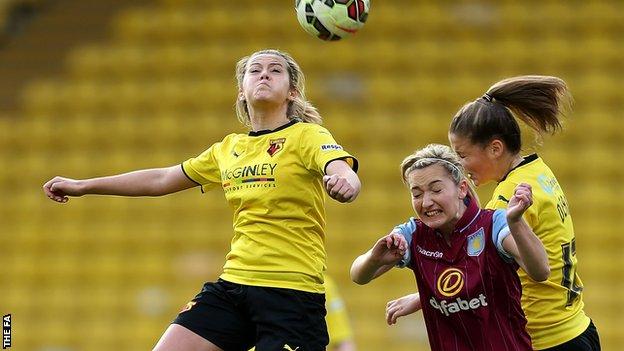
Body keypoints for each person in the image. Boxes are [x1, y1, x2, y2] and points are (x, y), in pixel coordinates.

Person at [43, 49, 361, 351]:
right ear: (241, 91)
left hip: (291, 293)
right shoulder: (227, 148)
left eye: (275, 70)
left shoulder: (307, 136)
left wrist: (345, 182)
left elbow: (341, 169)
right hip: (234, 285)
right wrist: (84, 185)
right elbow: (161, 179)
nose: (264, 75)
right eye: (255, 70)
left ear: (292, 92)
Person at [387, 76, 601, 351]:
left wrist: (421, 298)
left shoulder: (506, 200)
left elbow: (477, 274)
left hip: (545, 338)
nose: (460, 166)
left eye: (462, 155)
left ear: (495, 148)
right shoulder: (539, 172)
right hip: (577, 328)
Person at [350, 143, 550, 351]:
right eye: (417, 194)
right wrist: (375, 257)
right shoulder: (413, 234)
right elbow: (358, 275)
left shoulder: (493, 224)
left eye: (436, 190)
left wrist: (516, 221)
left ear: (462, 189)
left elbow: (541, 270)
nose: (426, 202)